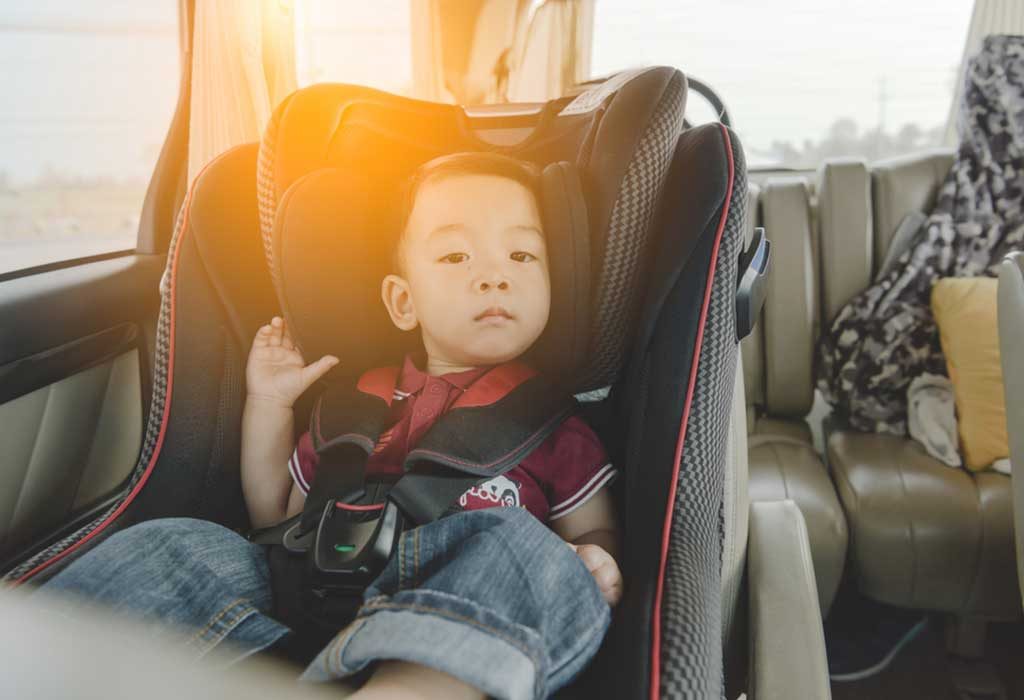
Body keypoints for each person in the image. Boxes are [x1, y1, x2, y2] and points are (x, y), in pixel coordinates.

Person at [41, 152, 621, 700]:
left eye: (522, 257)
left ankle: (410, 689)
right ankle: (49, 665)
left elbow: (595, 534)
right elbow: (276, 516)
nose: (494, 276)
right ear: (402, 301)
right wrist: (268, 402)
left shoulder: (552, 424)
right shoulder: (354, 406)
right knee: (170, 545)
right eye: (455, 257)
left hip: (455, 607)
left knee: (529, 553)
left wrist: (594, 558)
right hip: (304, 595)